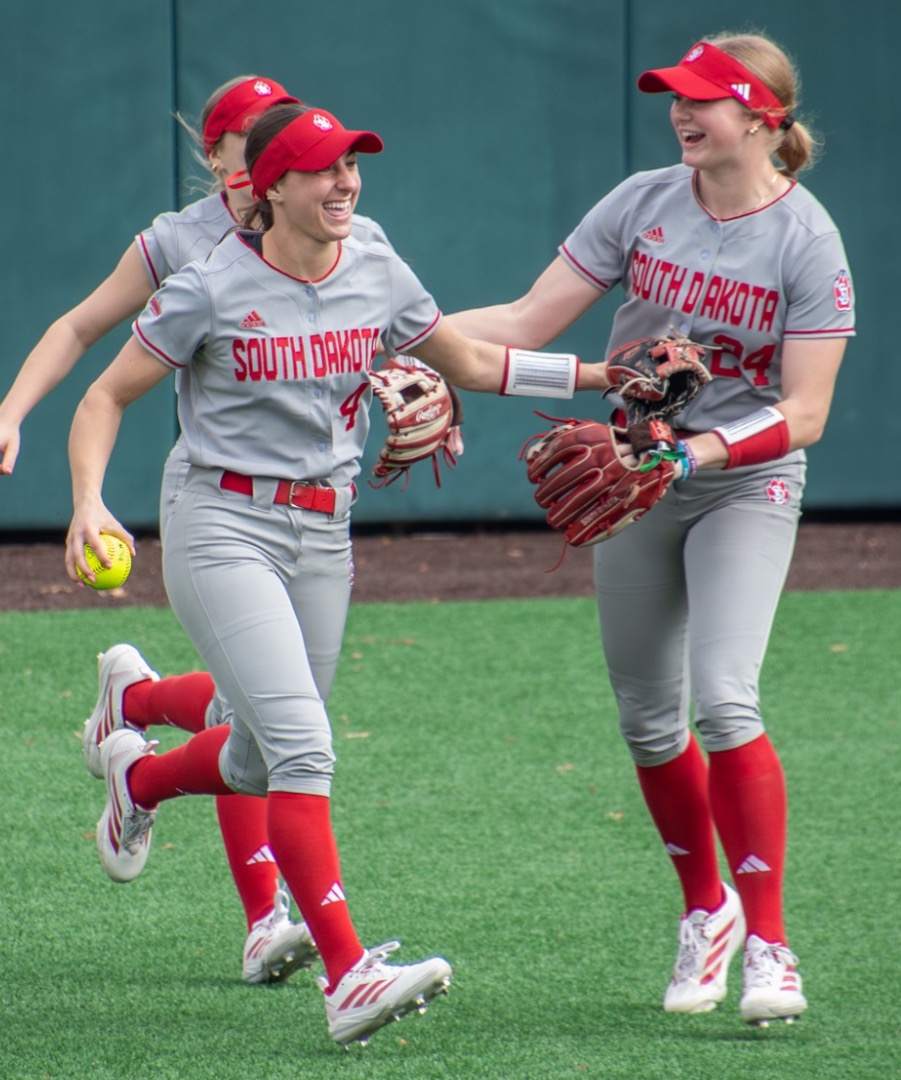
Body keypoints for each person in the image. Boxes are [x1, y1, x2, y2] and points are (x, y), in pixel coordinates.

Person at [65, 101, 610, 1045]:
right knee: (306, 750)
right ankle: (350, 976)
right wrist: (88, 503)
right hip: (220, 524)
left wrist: (609, 379)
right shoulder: (208, 285)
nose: (346, 182)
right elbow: (105, 395)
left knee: (253, 756)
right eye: (322, 169)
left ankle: (138, 781)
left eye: (353, 166)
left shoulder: (377, 267)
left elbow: (474, 361)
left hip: (325, 534)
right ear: (270, 185)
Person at [450, 32, 853, 1026]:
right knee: (646, 717)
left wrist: (697, 455)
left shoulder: (807, 238)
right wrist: (418, 346)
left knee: (723, 700)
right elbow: (529, 319)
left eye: (703, 100)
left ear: (759, 117)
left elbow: (805, 414)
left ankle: (769, 943)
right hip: (633, 478)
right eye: (674, 96)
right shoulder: (641, 201)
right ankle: (703, 911)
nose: (680, 113)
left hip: (741, 485)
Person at [0, 76, 363, 987]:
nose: (259, 163)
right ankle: (266, 917)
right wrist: (11, 415)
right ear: (218, 157)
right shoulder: (184, 240)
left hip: (309, 506)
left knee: (257, 714)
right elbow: (81, 332)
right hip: (218, 499)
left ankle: (136, 719)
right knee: (267, 716)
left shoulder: (330, 232)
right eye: (242, 148)